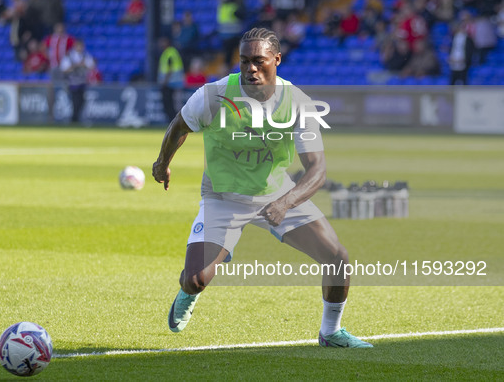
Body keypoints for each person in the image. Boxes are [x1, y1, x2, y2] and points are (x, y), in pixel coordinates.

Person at [152, 28, 373, 348]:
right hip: (223, 197)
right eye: (243, 62)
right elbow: (179, 126)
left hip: (276, 193)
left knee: (337, 257)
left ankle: (331, 332)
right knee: (195, 279)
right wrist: (162, 163)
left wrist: (286, 202)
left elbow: (317, 170)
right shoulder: (214, 95)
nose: (250, 69)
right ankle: (191, 289)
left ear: (277, 60)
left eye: (258, 61)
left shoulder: (297, 102)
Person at [60, 40, 96, 123]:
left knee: (81, 101)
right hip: (72, 83)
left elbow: (92, 67)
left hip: (82, 83)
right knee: (75, 101)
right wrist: (75, 66)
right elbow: (64, 69)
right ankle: (74, 119)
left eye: (81, 46)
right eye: (78, 46)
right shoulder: (69, 56)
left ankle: (76, 118)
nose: (80, 48)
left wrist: (84, 65)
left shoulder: (85, 56)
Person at [157, 37, 184, 123]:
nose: (161, 43)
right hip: (172, 83)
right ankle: (173, 122)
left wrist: (164, 81)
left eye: (163, 41)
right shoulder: (169, 52)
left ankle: (174, 122)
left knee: (172, 105)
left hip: (172, 83)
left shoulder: (170, 53)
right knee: (172, 104)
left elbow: (170, 69)